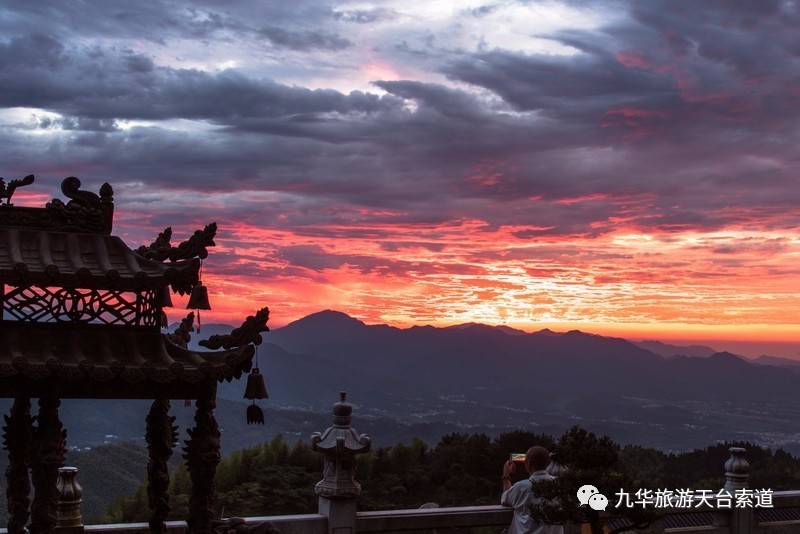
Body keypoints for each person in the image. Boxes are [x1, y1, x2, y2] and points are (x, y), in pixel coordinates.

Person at [501, 446, 564, 534]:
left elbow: (505, 499)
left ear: (529, 464)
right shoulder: (560, 484)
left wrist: (506, 476)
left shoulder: (520, 487)